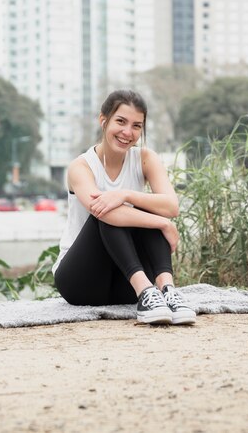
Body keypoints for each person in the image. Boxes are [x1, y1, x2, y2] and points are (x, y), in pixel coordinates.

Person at [53, 89, 196, 325]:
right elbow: (101, 209)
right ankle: (146, 291)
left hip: (124, 281)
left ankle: (166, 290)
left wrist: (126, 194)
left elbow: (171, 205)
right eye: (120, 121)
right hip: (80, 281)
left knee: (141, 206)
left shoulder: (145, 158)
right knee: (106, 210)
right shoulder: (81, 166)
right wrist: (162, 223)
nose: (127, 132)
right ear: (103, 120)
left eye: (137, 126)